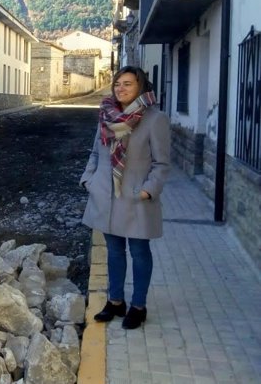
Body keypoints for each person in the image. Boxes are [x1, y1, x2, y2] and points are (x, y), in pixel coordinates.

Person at [80, 66, 170, 329]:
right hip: (106, 196)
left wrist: (147, 190)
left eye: (128, 84)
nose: (121, 89)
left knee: (140, 251)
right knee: (114, 251)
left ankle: (138, 306)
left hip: (135, 198)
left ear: (141, 87)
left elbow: (162, 164)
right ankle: (115, 301)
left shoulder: (155, 119)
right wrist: (89, 180)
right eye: (118, 84)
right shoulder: (106, 115)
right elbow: (96, 153)